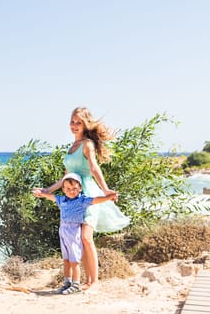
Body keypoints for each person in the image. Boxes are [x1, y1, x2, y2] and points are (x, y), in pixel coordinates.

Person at [35, 107, 130, 289]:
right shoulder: (71, 148)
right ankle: (85, 281)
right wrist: (47, 190)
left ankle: (93, 282)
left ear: (86, 124)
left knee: (86, 237)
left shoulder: (88, 144)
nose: (74, 125)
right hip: (72, 196)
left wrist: (106, 190)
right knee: (79, 238)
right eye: (72, 121)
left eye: (78, 122)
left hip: (88, 193)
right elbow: (65, 177)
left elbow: (94, 168)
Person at [32, 172, 117, 295]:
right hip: (63, 232)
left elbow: (96, 200)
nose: (71, 191)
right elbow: (49, 196)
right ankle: (67, 283)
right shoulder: (62, 200)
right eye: (68, 189)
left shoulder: (82, 200)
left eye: (74, 189)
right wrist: (41, 193)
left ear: (80, 188)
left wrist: (109, 197)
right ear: (63, 189)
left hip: (74, 232)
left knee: (74, 260)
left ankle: (76, 284)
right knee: (66, 259)